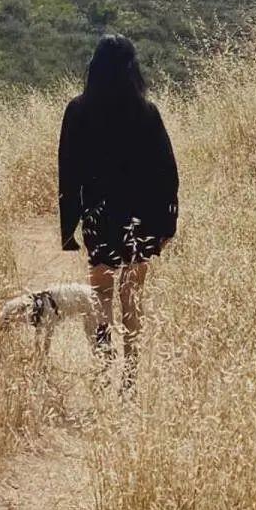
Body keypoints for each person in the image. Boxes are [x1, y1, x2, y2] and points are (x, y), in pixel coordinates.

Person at [58, 34, 179, 389]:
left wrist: (69, 228)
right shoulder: (146, 112)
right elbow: (166, 171)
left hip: (99, 218)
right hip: (140, 217)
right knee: (132, 298)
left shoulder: (77, 111)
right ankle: (130, 374)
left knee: (100, 296)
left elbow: (68, 171)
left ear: (94, 67)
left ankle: (102, 364)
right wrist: (167, 222)